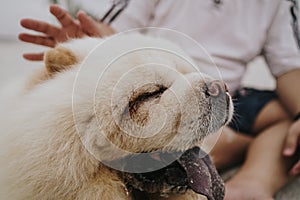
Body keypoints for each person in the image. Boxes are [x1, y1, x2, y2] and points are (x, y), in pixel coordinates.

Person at [18, 1, 300, 199]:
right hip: (159, 87)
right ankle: (241, 147)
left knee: (289, 120)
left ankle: (252, 181)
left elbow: (290, 69)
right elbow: (118, 33)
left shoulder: (275, 4)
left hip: (227, 90)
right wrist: (93, 46)